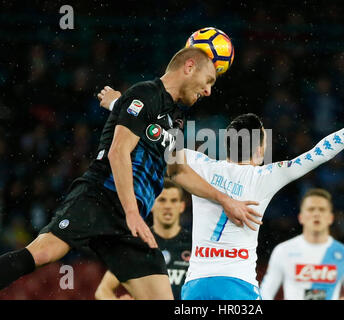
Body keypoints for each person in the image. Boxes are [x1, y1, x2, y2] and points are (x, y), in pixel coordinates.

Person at [0, 46, 262, 300]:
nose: (208, 91)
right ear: (189, 67)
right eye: (208, 81)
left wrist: (225, 200)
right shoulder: (146, 93)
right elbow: (118, 152)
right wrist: (132, 213)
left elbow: (178, 172)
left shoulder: (176, 121)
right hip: (99, 197)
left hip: (129, 220)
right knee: (42, 254)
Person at [100, 85, 344, 299]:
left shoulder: (196, 163)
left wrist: (118, 104)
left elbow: (151, 133)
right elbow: (320, 152)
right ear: (260, 149)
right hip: (237, 285)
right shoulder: (265, 176)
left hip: (195, 287)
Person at [260, 188, 344, 300]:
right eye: (311, 209)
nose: (316, 214)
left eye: (322, 209)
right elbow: (265, 294)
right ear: (300, 217)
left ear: (331, 218)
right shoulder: (283, 251)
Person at [95, 178, 191, 300]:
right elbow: (102, 291)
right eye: (162, 200)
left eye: (173, 201)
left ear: (182, 206)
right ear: (151, 204)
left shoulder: (194, 244)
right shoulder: (138, 244)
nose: (168, 206)